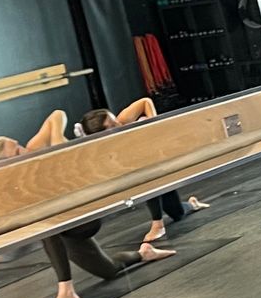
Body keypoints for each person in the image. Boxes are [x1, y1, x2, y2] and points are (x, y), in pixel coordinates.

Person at [0, 137, 174, 298]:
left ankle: (66, 290)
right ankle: (144, 253)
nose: (23, 147)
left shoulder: (40, 162)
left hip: (84, 219)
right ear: (7, 161)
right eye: (17, 148)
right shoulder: (12, 185)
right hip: (65, 230)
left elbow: (57, 116)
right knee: (108, 270)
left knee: (43, 223)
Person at [76, 98, 210, 243]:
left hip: (155, 160)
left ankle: (158, 224)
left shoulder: (123, 119)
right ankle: (192, 204)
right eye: (112, 125)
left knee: (147, 178)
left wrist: (153, 124)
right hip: (149, 165)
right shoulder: (104, 146)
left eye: (114, 120)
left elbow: (146, 101)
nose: (118, 124)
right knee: (177, 213)